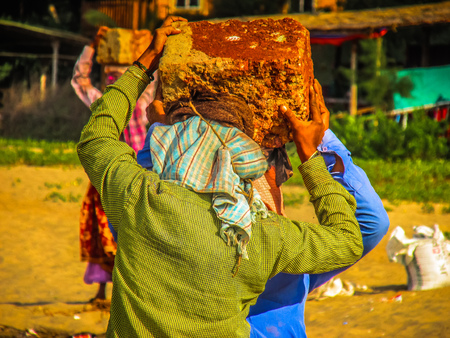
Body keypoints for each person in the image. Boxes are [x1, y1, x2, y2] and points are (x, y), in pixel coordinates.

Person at [77, 16, 364, 336]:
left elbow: (95, 139)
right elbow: (350, 241)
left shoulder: (139, 198)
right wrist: (310, 155)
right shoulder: (264, 235)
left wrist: (145, 65)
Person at [138, 77, 390, 337]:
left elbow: (135, 195)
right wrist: (316, 145)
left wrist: (160, 133)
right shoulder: (283, 250)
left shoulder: (160, 235)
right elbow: (371, 222)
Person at [72, 26, 156, 302]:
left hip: (129, 175)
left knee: (124, 233)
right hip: (125, 176)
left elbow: (81, 81)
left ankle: (119, 293)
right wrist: (92, 46)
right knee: (106, 232)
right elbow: (81, 82)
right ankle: (105, 291)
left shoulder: (128, 101)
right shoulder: (124, 100)